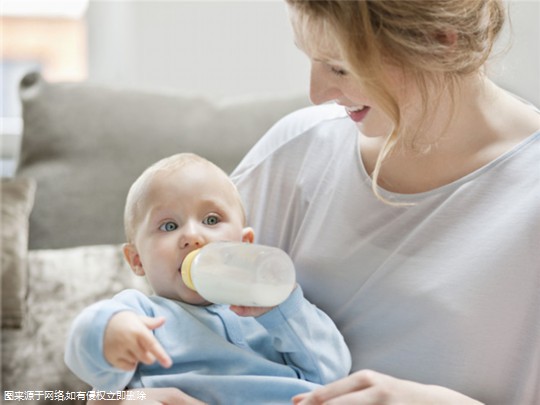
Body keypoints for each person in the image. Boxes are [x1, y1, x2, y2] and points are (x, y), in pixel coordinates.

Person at [91, 1, 540, 404]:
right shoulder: (300, 150)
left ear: (441, 43)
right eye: (312, 60)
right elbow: (149, 344)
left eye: (340, 68)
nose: (317, 92)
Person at [64, 153, 351, 404]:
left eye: (211, 220)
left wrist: (283, 307)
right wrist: (109, 331)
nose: (192, 236)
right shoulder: (142, 314)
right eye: (169, 225)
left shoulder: (274, 314)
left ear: (245, 244)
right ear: (137, 260)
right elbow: (92, 365)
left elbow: (331, 372)